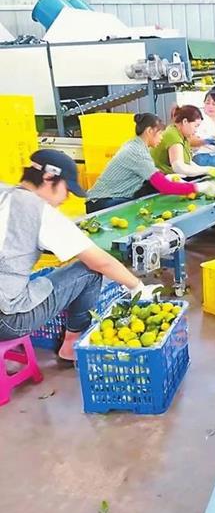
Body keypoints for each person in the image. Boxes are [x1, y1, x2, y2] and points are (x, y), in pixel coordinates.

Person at [0, 150, 161, 364]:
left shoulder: (4, 192)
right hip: (8, 321)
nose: (65, 198)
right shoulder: (40, 211)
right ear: (48, 177)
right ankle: (70, 346)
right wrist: (138, 287)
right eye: (66, 190)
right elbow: (101, 262)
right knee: (89, 271)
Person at [86, 113, 215, 213]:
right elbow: (164, 186)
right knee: (141, 209)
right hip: (102, 203)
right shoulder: (137, 152)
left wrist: (167, 177)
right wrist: (199, 187)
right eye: (160, 133)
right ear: (149, 131)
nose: (162, 138)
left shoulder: (136, 145)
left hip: (108, 198)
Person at [151, 105, 215, 178]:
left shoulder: (183, 136)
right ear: (185, 121)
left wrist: (204, 170)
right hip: (159, 178)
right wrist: (205, 170)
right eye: (196, 126)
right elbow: (178, 167)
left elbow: (188, 163)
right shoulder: (172, 135)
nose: (196, 130)